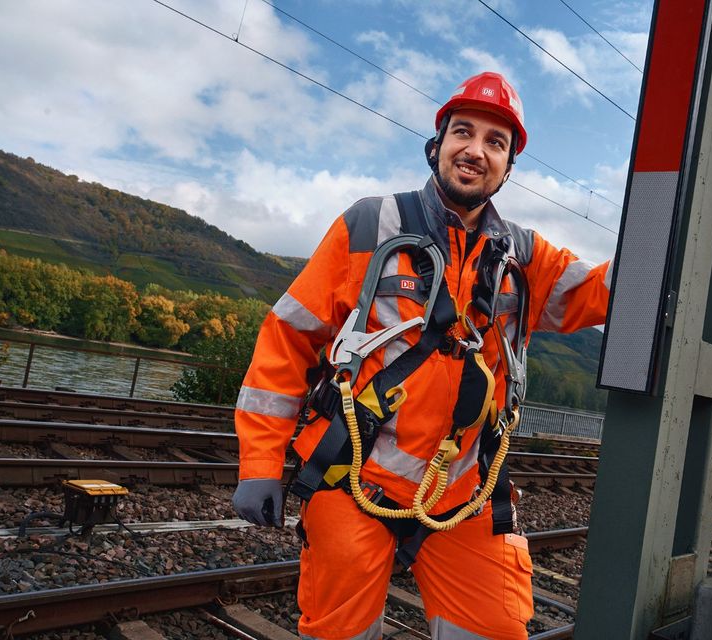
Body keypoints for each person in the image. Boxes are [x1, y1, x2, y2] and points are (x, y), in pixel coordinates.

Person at [232, 71, 611, 640]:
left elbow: (609, 293)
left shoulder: (525, 259)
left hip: (465, 491)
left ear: (508, 167)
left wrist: (666, 227)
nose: (475, 150)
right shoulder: (371, 226)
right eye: (464, 132)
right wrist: (260, 465)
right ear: (439, 145)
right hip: (352, 478)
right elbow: (288, 339)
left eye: (495, 142)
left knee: (495, 628)